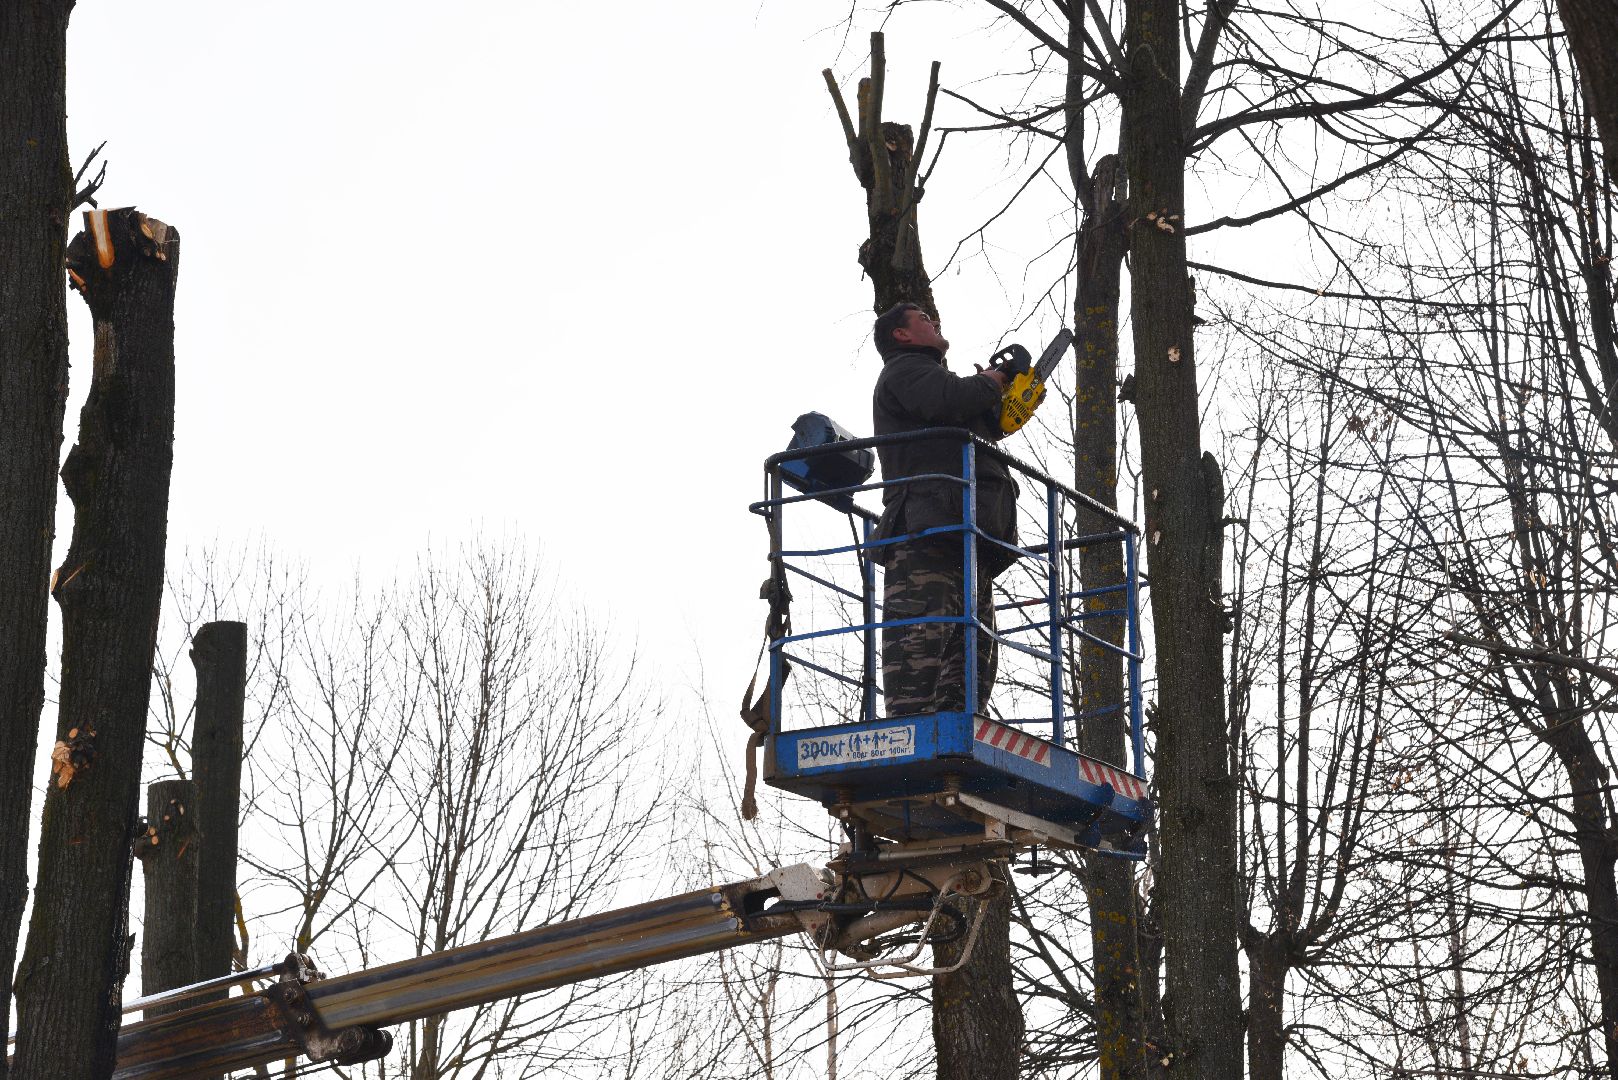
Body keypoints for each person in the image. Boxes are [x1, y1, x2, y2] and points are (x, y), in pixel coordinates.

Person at [870, 302, 1019, 718]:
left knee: (972, 653)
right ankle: (909, 737)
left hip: (965, 537)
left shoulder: (931, 380)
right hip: (926, 533)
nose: (934, 323)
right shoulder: (905, 371)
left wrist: (998, 400)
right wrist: (993, 379)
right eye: (922, 320)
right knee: (921, 646)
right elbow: (950, 399)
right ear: (901, 335)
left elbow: (967, 416)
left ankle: (961, 725)